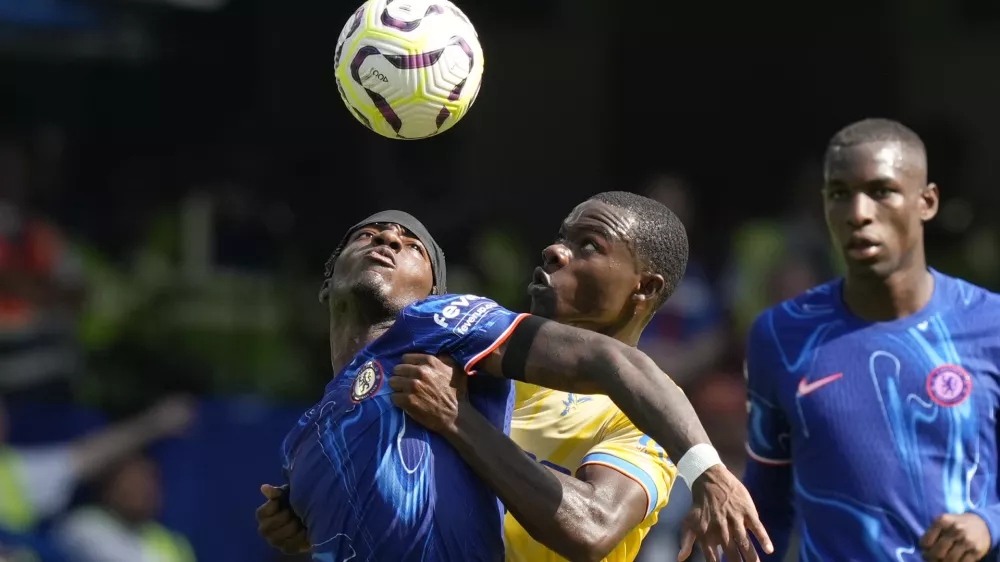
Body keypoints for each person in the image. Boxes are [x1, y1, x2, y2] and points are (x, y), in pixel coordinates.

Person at [260, 208, 771, 561]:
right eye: (561, 237)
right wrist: (313, 509)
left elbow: (593, 529)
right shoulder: (460, 369)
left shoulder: (637, 416)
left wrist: (709, 471)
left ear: (644, 287)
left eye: (588, 246)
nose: (554, 250)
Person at [743, 118, 1000, 561]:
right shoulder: (781, 335)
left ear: (927, 202)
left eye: (881, 191)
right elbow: (763, 507)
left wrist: (990, 523)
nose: (858, 213)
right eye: (840, 194)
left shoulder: (991, 324)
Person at [56, 453, 196, 562]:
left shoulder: (170, 540)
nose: (145, 490)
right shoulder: (82, 526)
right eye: (133, 482)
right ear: (109, 487)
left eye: (150, 480)